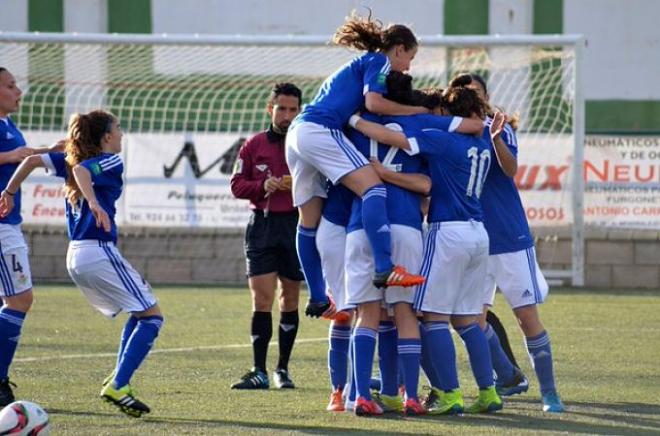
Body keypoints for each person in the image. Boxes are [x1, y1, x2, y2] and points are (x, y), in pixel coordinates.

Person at [348, 85, 506, 415]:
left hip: (448, 230)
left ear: (449, 114)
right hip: (479, 233)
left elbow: (397, 141)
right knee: (467, 319)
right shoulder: (483, 143)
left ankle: (448, 393)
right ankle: (489, 391)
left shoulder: (444, 138)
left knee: (432, 317)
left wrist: (357, 122)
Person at [0, 109, 164, 417]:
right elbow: (84, 173)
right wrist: (92, 202)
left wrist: (8, 191)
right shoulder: (110, 160)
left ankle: (118, 380)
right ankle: (119, 384)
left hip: (75, 254)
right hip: (96, 250)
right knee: (153, 317)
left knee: (141, 311)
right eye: (117, 128)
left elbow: (32, 161)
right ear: (106, 136)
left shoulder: (69, 160)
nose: (121, 134)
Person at [285, 10, 429, 319]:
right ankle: (384, 268)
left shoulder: (359, 64)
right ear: (399, 48)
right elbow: (374, 103)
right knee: (374, 186)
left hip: (298, 134)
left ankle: (319, 296)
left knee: (308, 223)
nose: (407, 67)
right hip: (320, 130)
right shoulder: (379, 60)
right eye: (410, 58)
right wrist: (416, 108)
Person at [456, 72, 564, 413]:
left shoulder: (498, 127)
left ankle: (550, 394)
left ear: (486, 98)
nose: (472, 99)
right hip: (473, 239)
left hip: (509, 237)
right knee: (471, 319)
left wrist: (496, 139)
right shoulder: (452, 133)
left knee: (526, 318)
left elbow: (510, 169)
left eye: (477, 93)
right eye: (465, 94)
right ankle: (508, 375)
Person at [229, 83, 304, 390]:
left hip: (296, 226)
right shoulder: (253, 144)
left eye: (292, 109)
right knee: (262, 298)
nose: (286, 115)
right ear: (269, 108)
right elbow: (236, 185)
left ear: (299, 111)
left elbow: (325, 183)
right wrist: (263, 186)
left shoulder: (305, 144)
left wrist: (296, 185)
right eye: (281, 108)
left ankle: (282, 370)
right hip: (262, 226)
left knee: (290, 298)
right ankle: (258, 370)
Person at [0, 67, 62, 406]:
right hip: (2, 227)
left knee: (6, 303)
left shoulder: (8, 126)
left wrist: (48, 149)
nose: (17, 91)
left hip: (9, 223)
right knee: (20, 300)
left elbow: (20, 157)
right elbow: (12, 157)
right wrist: (10, 156)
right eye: (10, 86)